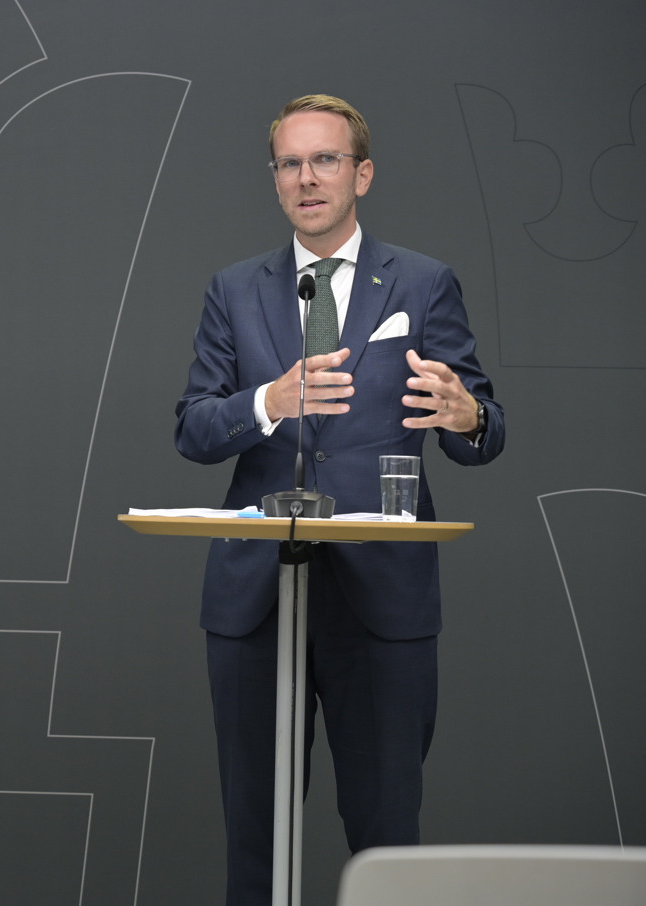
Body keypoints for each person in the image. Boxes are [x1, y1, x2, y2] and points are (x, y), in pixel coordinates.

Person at [174, 95, 504, 905]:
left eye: (325, 160)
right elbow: (193, 428)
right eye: (290, 163)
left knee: (386, 835)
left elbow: (484, 430)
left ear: (362, 174)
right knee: (256, 837)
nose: (306, 178)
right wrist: (267, 402)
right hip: (256, 599)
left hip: (381, 595)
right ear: (275, 180)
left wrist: (467, 416)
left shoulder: (423, 283)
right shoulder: (234, 289)